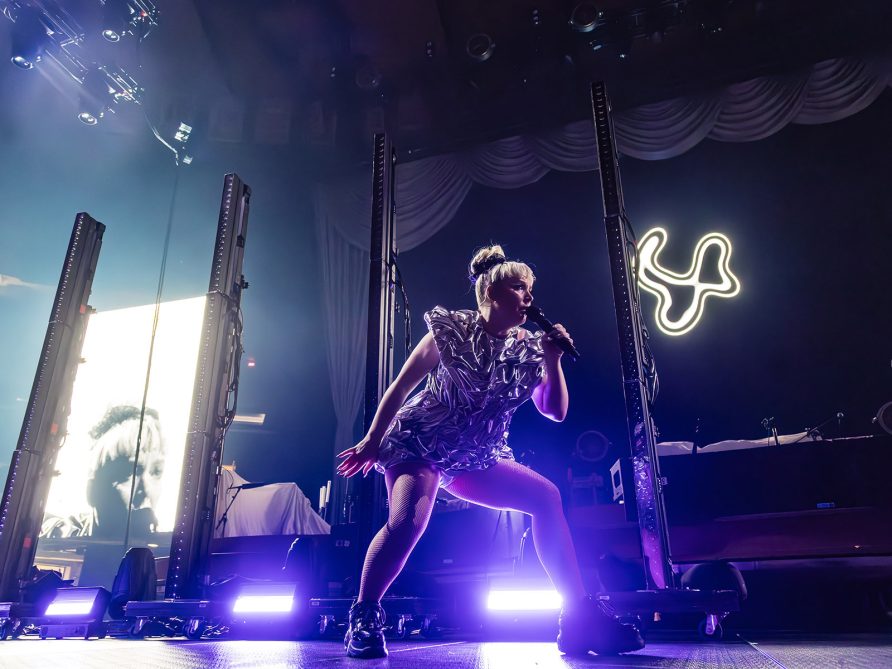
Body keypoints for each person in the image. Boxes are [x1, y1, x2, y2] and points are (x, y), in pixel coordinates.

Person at [336, 245, 644, 658]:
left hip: (476, 453)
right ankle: (365, 617)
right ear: (491, 292)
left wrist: (553, 359)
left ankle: (578, 619)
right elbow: (402, 386)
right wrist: (373, 439)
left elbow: (555, 411)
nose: (529, 297)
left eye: (531, 289)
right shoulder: (451, 329)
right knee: (408, 519)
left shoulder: (528, 348)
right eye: (519, 287)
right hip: (422, 440)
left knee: (546, 497)